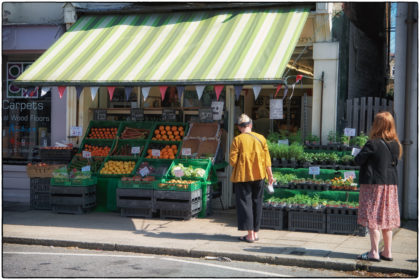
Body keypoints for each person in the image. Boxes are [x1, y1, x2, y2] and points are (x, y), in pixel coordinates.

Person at [354, 111, 402, 262]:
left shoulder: (372, 143)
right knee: (387, 220)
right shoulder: (396, 144)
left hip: (374, 186)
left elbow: (358, 160)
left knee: (372, 218)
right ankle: (387, 252)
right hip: (390, 185)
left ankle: (374, 252)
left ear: (377, 125)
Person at [229, 114, 274, 243]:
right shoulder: (261, 138)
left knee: (245, 203)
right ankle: (255, 232)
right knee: (257, 202)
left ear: (239, 127)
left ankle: (249, 235)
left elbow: (232, 161)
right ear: (251, 125)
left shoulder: (237, 140)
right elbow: (267, 160)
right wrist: (270, 176)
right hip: (259, 175)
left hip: (242, 176)